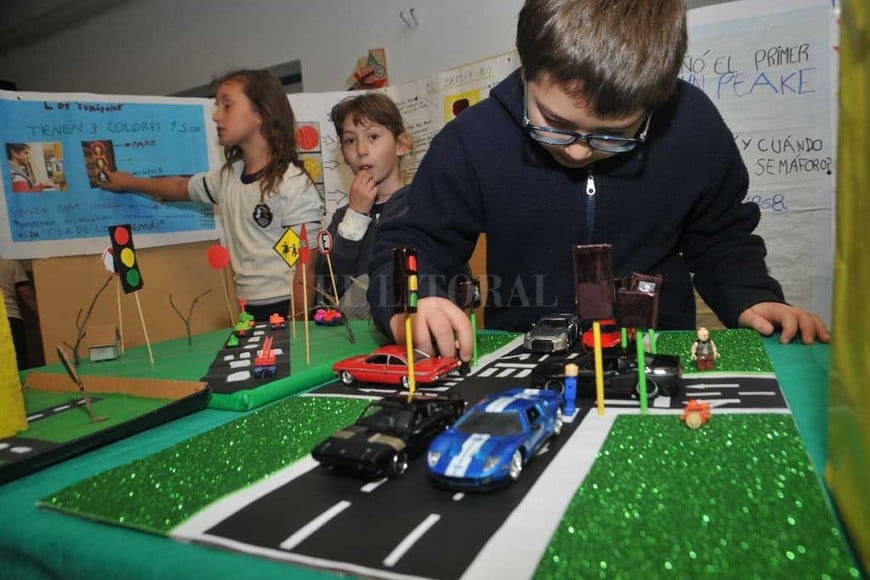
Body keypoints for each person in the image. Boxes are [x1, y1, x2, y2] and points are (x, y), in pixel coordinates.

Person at [368, 0, 829, 362]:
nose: (577, 150)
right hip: (527, 358)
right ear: (527, 67)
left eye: (613, 134)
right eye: (553, 121)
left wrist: (750, 296)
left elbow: (722, 235)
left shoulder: (693, 125)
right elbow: (412, 240)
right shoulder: (473, 139)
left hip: (654, 356)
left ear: (656, 99)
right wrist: (415, 302)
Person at [102, 69, 323, 321]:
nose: (217, 116)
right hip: (247, 307)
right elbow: (179, 187)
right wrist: (129, 182)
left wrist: (297, 328)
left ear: (263, 113)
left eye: (227, 105)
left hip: (287, 306)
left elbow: (303, 268)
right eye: (217, 106)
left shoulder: (291, 183)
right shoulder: (228, 177)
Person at [316, 92, 411, 319]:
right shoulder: (343, 218)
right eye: (350, 140)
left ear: (401, 144)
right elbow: (328, 288)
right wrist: (356, 216)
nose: (361, 150)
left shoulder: (421, 205)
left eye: (373, 137)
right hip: (354, 343)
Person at [0, 259, 38, 370]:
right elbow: (26, 294)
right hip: (10, 318)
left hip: (9, 318)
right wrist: (39, 315)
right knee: (17, 362)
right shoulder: (10, 264)